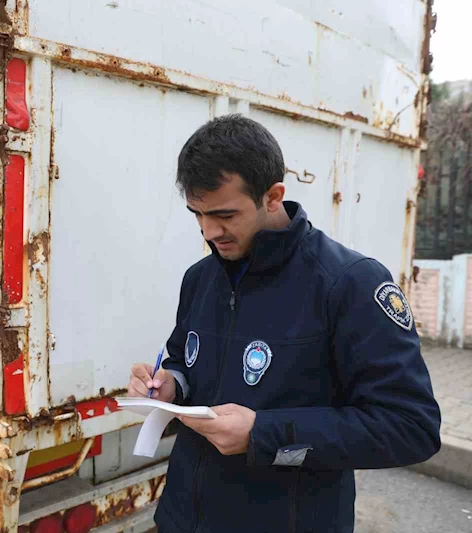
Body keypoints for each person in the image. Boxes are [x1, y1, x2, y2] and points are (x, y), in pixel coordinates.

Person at [127, 115, 441, 533]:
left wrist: (263, 434)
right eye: (197, 214)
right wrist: (171, 385)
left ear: (273, 196)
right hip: (182, 518)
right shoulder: (200, 278)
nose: (208, 231)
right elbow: (184, 360)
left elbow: (411, 427)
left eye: (224, 214)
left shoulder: (349, 283)